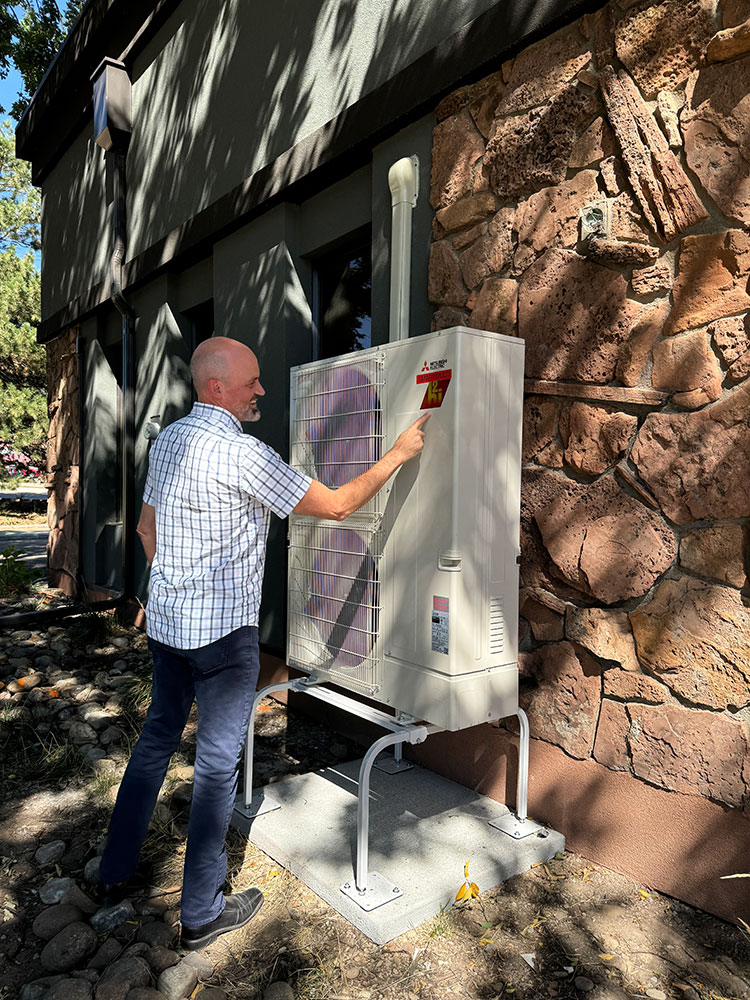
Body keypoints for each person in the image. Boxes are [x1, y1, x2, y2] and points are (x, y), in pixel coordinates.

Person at [96, 336, 429, 950]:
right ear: (215, 387)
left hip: (168, 628)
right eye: (251, 381)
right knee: (218, 767)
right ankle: (200, 914)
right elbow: (335, 507)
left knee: (155, 742)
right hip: (223, 639)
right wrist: (400, 453)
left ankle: (112, 873)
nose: (262, 391)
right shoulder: (246, 455)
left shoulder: (168, 441)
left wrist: (173, 583)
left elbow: (146, 529)